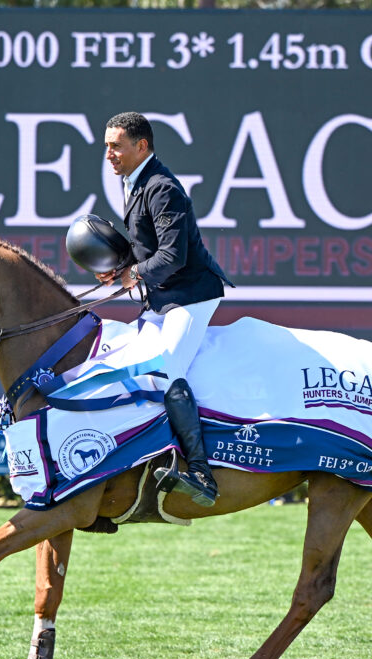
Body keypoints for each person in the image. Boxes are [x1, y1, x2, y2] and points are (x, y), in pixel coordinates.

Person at [97, 111, 232, 507]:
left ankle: (201, 473)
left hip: (192, 295)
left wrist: (134, 272)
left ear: (141, 146)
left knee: (167, 368)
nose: (109, 154)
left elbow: (173, 256)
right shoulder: (134, 182)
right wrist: (125, 267)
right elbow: (149, 246)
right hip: (163, 298)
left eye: (116, 145)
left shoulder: (161, 187)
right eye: (106, 145)